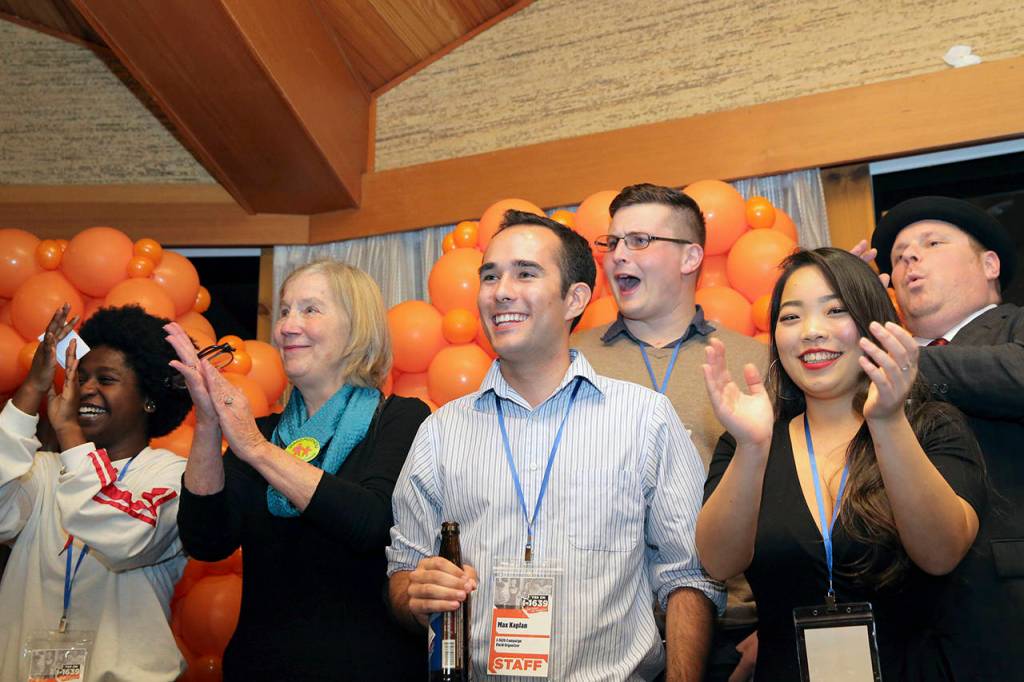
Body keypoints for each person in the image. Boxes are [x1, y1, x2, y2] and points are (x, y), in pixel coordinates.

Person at [387, 209, 723, 681]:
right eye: (490, 276)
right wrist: (415, 595)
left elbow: (687, 575)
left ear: (575, 298)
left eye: (525, 273)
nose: (501, 290)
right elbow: (402, 576)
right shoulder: (441, 431)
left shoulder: (644, 419)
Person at [697, 247, 987, 680]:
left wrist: (887, 420)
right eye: (791, 317)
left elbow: (941, 553)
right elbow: (718, 563)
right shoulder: (749, 439)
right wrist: (753, 448)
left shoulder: (932, 426)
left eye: (836, 311)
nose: (811, 332)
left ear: (875, 324)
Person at [170, 260, 429, 681]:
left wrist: (255, 448)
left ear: (357, 327)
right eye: (285, 310)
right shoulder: (267, 433)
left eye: (310, 310)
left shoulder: (400, 418)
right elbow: (206, 539)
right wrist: (207, 422)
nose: (288, 326)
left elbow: (370, 523)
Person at [573, 183, 766, 681]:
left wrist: (777, 625)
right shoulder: (569, 359)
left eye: (638, 241)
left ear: (691, 257)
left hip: (735, 627)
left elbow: (794, 495)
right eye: (611, 242)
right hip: (601, 633)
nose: (617, 256)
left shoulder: (754, 361)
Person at [869, 196, 1024, 679]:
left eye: (932, 243)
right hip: (897, 616)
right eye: (898, 255)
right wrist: (844, 311)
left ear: (989, 263)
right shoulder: (872, 361)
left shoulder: (1013, 327)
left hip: (1005, 604)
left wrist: (898, 362)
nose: (909, 258)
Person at [0, 304, 193, 681]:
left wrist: (70, 432)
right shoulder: (43, 472)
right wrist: (33, 388)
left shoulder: (174, 477)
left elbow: (122, 536)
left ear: (148, 398)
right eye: (80, 377)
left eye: (105, 379)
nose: (85, 389)